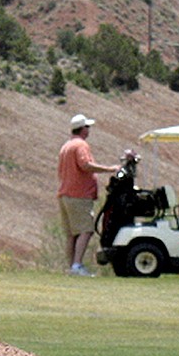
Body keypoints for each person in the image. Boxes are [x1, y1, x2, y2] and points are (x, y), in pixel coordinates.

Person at [57, 114, 118, 275]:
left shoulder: (66, 146)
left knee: (71, 233)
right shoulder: (80, 145)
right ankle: (77, 265)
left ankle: (71, 266)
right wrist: (109, 169)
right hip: (79, 195)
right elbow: (85, 165)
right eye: (87, 127)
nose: (89, 130)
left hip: (65, 193)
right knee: (86, 230)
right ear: (83, 129)